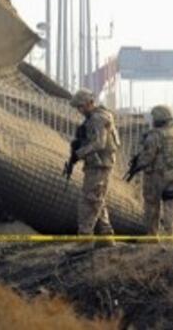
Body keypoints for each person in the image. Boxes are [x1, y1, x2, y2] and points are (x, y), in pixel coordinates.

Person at [69, 88, 121, 244]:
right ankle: (106, 235)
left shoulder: (97, 118)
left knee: (89, 200)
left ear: (90, 103)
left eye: (81, 107)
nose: (79, 110)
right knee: (98, 198)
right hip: (98, 164)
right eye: (78, 107)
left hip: (100, 165)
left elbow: (100, 143)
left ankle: (84, 238)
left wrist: (79, 153)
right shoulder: (97, 116)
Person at [135, 105, 173, 236]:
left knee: (152, 205)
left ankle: (152, 235)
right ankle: (170, 235)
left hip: (158, 175)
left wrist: (138, 165)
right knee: (171, 205)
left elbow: (148, 157)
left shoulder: (155, 135)